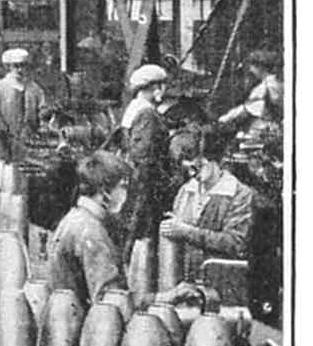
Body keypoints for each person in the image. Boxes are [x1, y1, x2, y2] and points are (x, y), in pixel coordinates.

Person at [161, 126, 256, 288]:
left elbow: (236, 243)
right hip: (186, 284)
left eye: (196, 167)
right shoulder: (186, 191)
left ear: (213, 159)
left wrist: (187, 231)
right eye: (186, 168)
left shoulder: (239, 194)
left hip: (222, 284)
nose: (191, 174)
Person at [117, 63, 176, 298]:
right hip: (146, 186)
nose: (163, 90)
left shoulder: (134, 109)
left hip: (138, 183)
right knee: (143, 237)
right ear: (153, 88)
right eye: (161, 86)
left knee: (134, 237)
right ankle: (143, 292)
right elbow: (144, 157)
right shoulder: (148, 115)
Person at [47, 150, 133, 309]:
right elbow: (109, 301)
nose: (125, 194)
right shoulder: (91, 231)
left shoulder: (75, 218)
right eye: (122, 186)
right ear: (104, 190)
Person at [0, 47, 46, 160]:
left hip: (28, 143)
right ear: (8, 67)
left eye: (23, 66)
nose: (20, 70)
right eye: (16, 66)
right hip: (2, 143)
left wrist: (42, 119)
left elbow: (42, 110)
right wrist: (3, 128)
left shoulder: (34, 88)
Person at [217, 48, 283, 146]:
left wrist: (225, 118)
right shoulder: (278, 83)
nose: (251, 70)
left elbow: (246, 110)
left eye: (253, 66)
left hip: (261, 131)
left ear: (261, 67)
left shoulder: (264, 87)